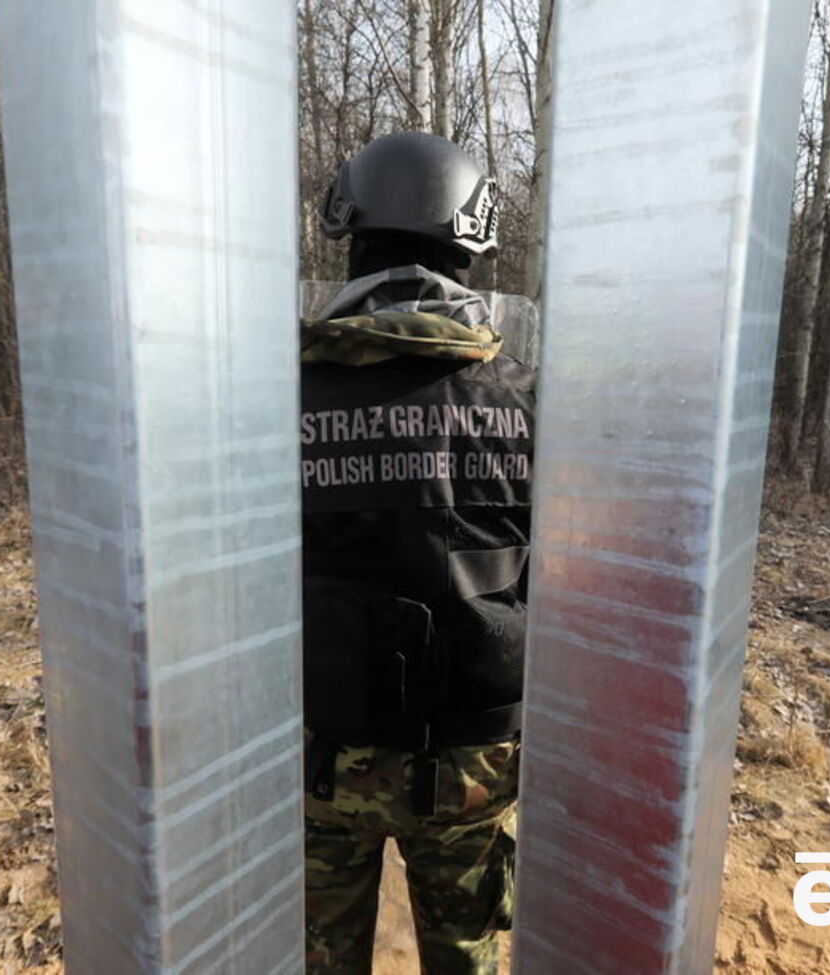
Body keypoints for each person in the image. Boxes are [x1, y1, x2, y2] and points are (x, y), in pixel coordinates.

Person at [300, 131, 535, 975]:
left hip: (321, 760)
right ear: (471, 245)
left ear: (351, 235)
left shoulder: (276, 392)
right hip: (473, 765)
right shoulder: (530, 399)